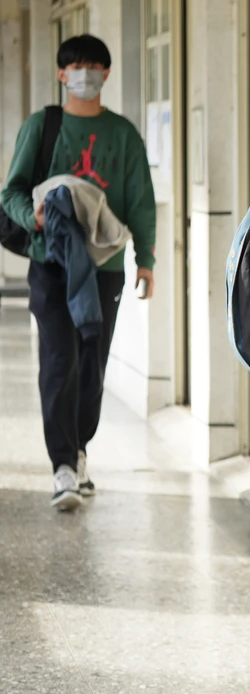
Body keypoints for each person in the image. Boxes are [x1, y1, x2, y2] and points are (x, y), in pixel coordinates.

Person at [0, 34, 156, 512]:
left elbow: (140, 201)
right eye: (75, 67)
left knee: (93, 365)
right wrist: (34, 216)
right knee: (58, 361)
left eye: (92, 67)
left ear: (106, 74)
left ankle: (80, 449)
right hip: (52, 265)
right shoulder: (42, 125)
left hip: (105, 268)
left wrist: (146, 260)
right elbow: (11, 192)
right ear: (61, 74)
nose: (83, 75)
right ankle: (63, 465)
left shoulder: (123, 134)